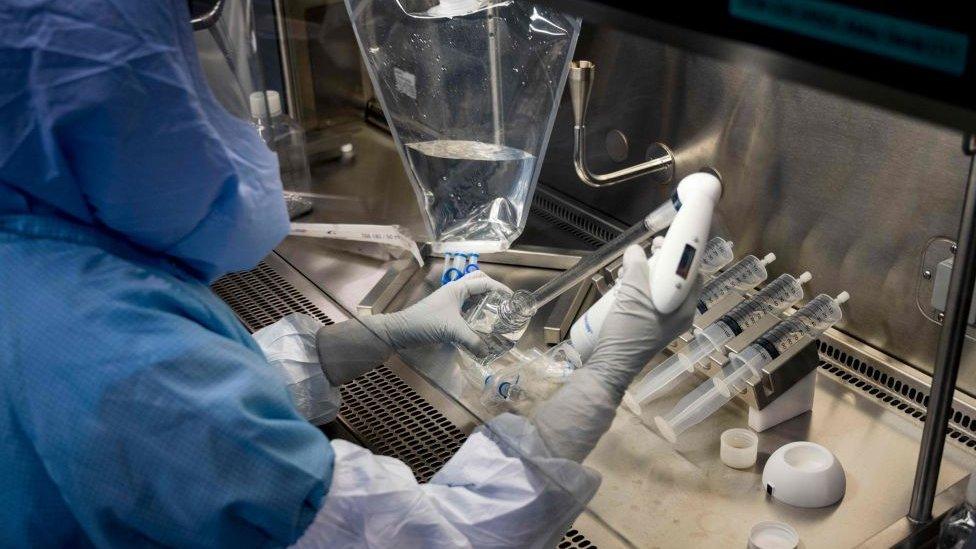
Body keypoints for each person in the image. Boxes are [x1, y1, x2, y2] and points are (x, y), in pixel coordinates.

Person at [0, 1, 700, 547]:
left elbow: (177, 426)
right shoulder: (123, 354)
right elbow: (439, 539)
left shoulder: (40, 256)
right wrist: (602, 380)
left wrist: (369, 337)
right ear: (116, 97)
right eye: (173, 61)